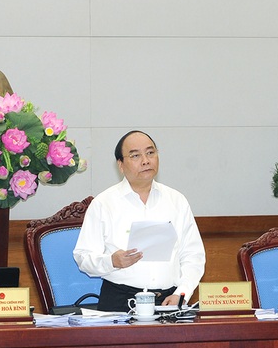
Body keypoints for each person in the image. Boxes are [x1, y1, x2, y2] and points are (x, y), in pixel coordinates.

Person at [73, 131, 206, 312]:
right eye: (135, 155)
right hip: (119, 303)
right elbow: (83, 257)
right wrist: (112, 261)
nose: (145, 160)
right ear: (120, 164)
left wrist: (182, 293)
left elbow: (193, 256)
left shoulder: (177, 201)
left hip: (169, 301)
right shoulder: (104, 204)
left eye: (150, 153)